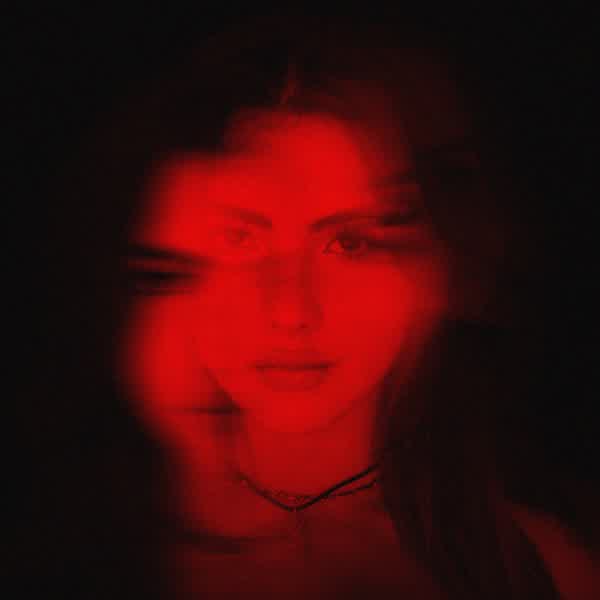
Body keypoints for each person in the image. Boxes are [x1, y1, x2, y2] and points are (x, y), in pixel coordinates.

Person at [36, 13, 598, 600]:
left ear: (442, 258)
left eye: (351, 242)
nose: (291, 311)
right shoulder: (70, 546)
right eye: (240, 238)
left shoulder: (545, 566)